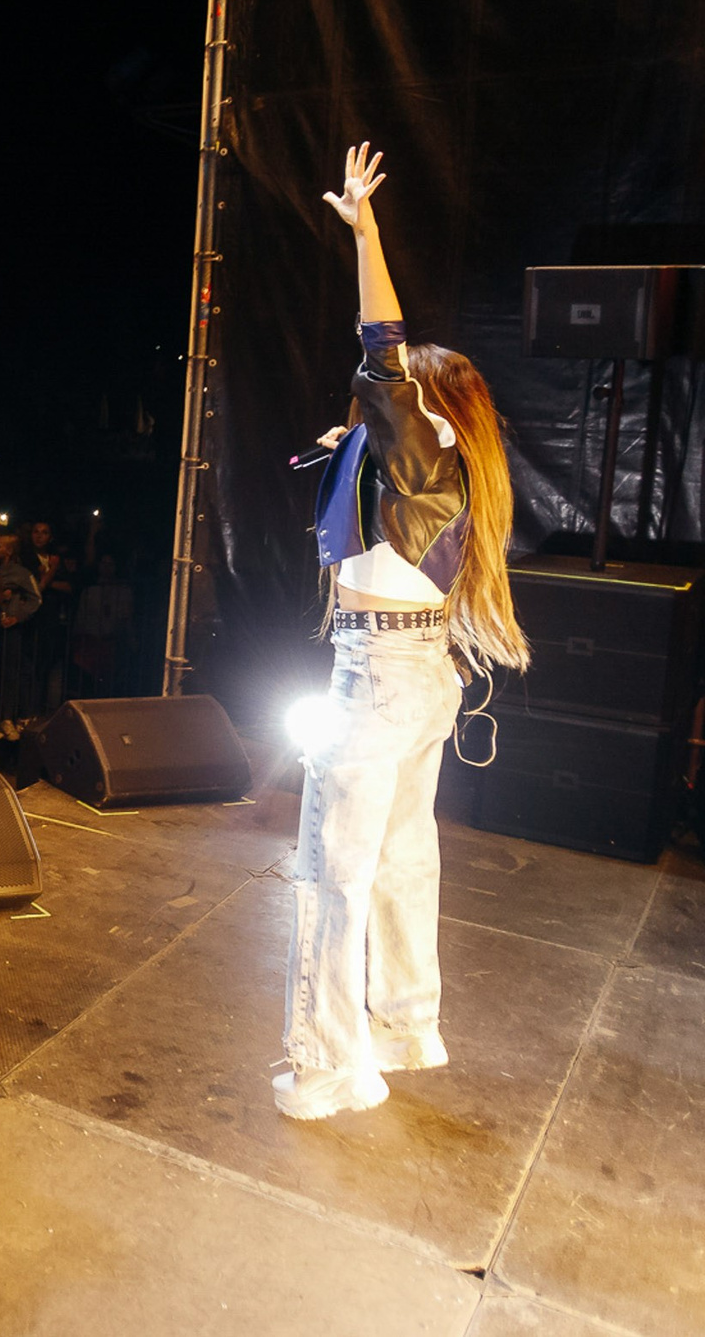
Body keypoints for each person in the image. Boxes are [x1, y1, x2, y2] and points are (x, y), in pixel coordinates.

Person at [287, 144, 530, 1120]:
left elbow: (380, 345)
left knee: (326, 878)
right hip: (415, 671)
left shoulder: (420, 446)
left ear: (425, 403)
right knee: (395, 861)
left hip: (381, 673)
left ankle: (326, 1063)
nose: (373, 401)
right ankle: (399, 1026)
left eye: (391, 396)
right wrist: (342, 442)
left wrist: (366, 230)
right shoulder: (434, 465)